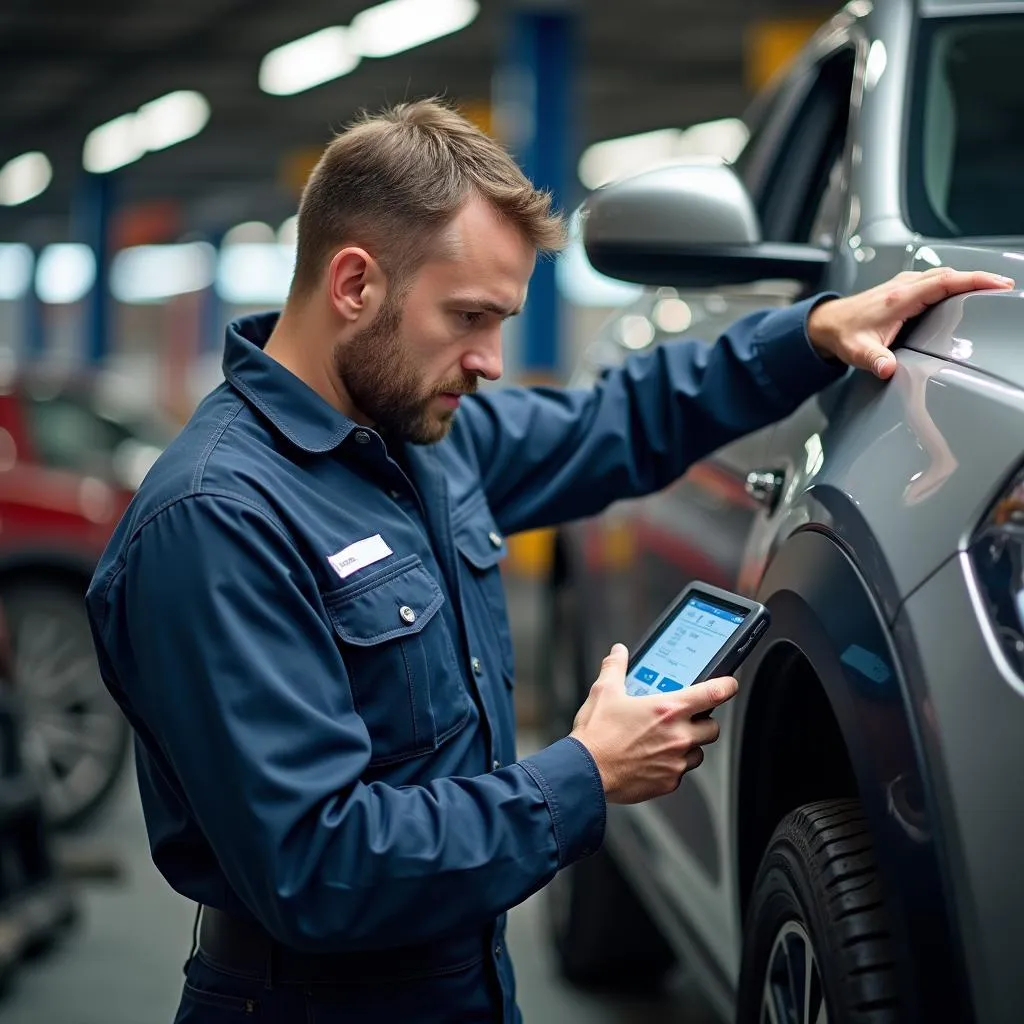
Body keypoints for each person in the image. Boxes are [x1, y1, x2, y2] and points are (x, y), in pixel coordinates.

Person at [84, 99, 1013, 1024]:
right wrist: (585, 773)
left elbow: (621, 419)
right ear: (355, 284)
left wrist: (810, 335)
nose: (492, 361)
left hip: (463, 979)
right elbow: (319, 867)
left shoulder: (420, 440)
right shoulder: (216, 522)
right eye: (469, 317)